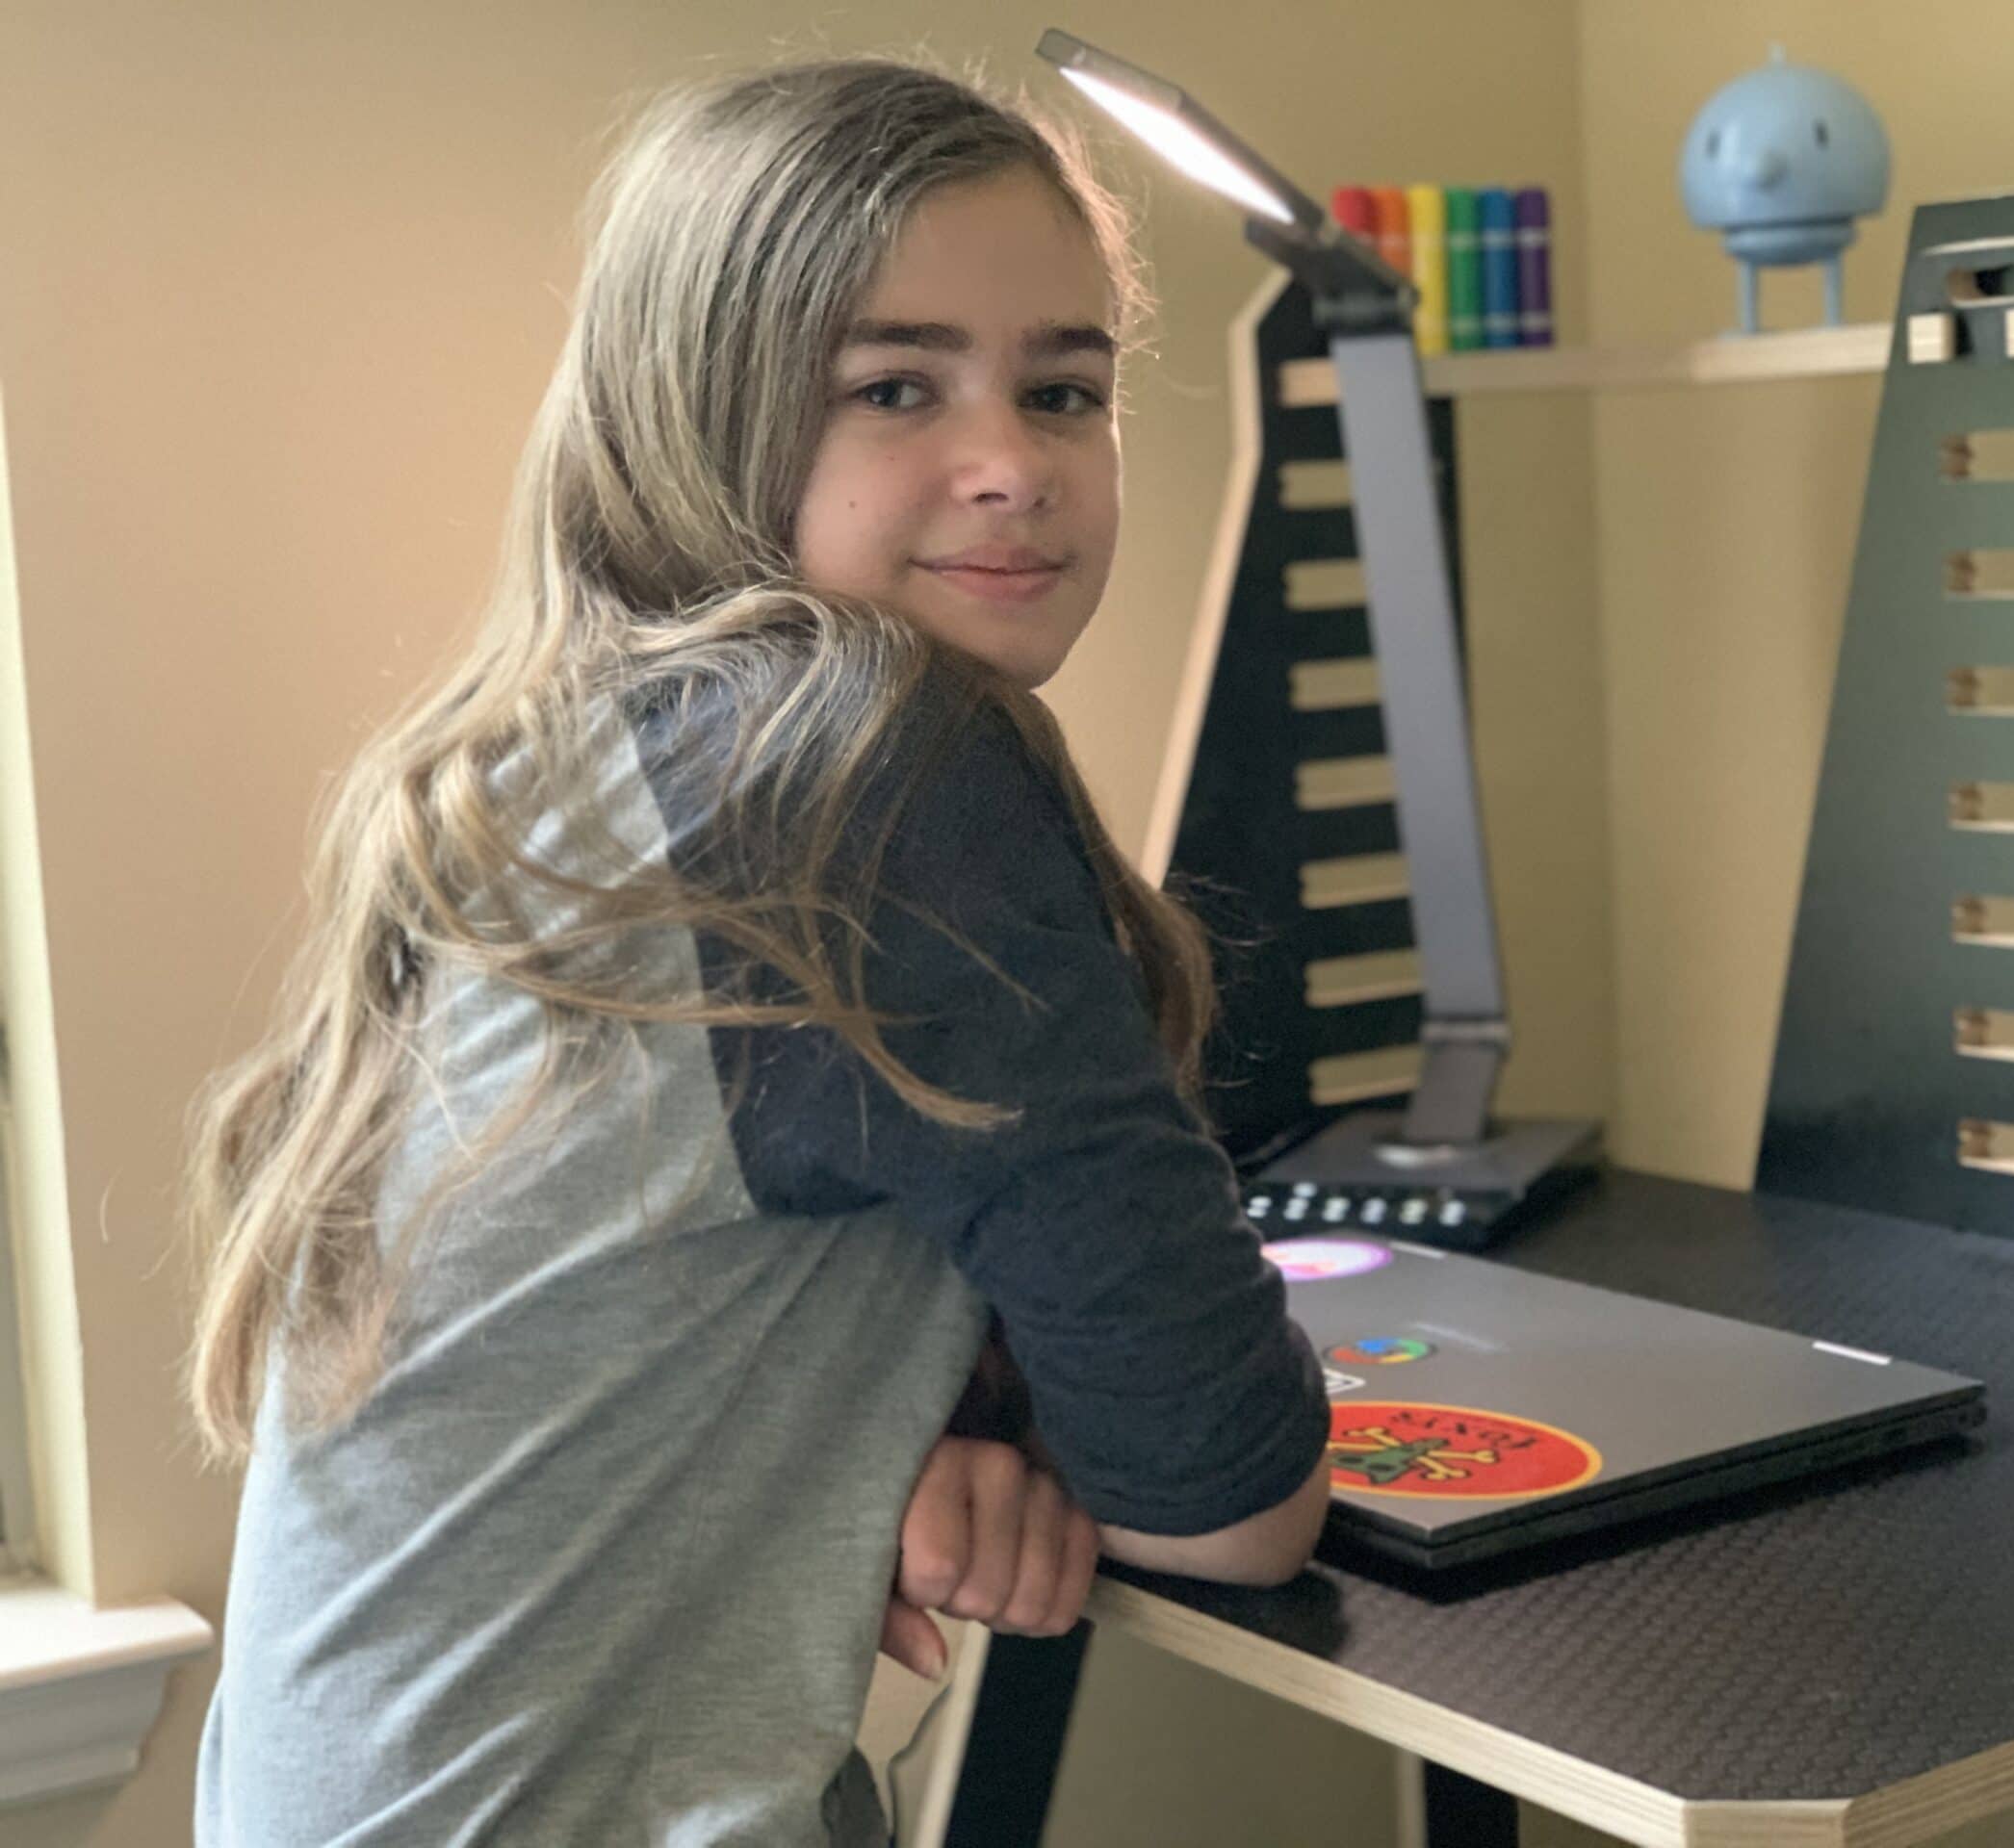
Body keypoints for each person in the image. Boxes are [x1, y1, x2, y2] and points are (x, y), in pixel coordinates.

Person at [185, 51, 1331, 1846]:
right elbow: (1231, 1492)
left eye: (1063, 388)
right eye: (896, 386)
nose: (1011, 467)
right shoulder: (863, 768)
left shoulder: (586, 754)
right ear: (707, 417)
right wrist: (1071, 1434)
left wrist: (964, 1425)